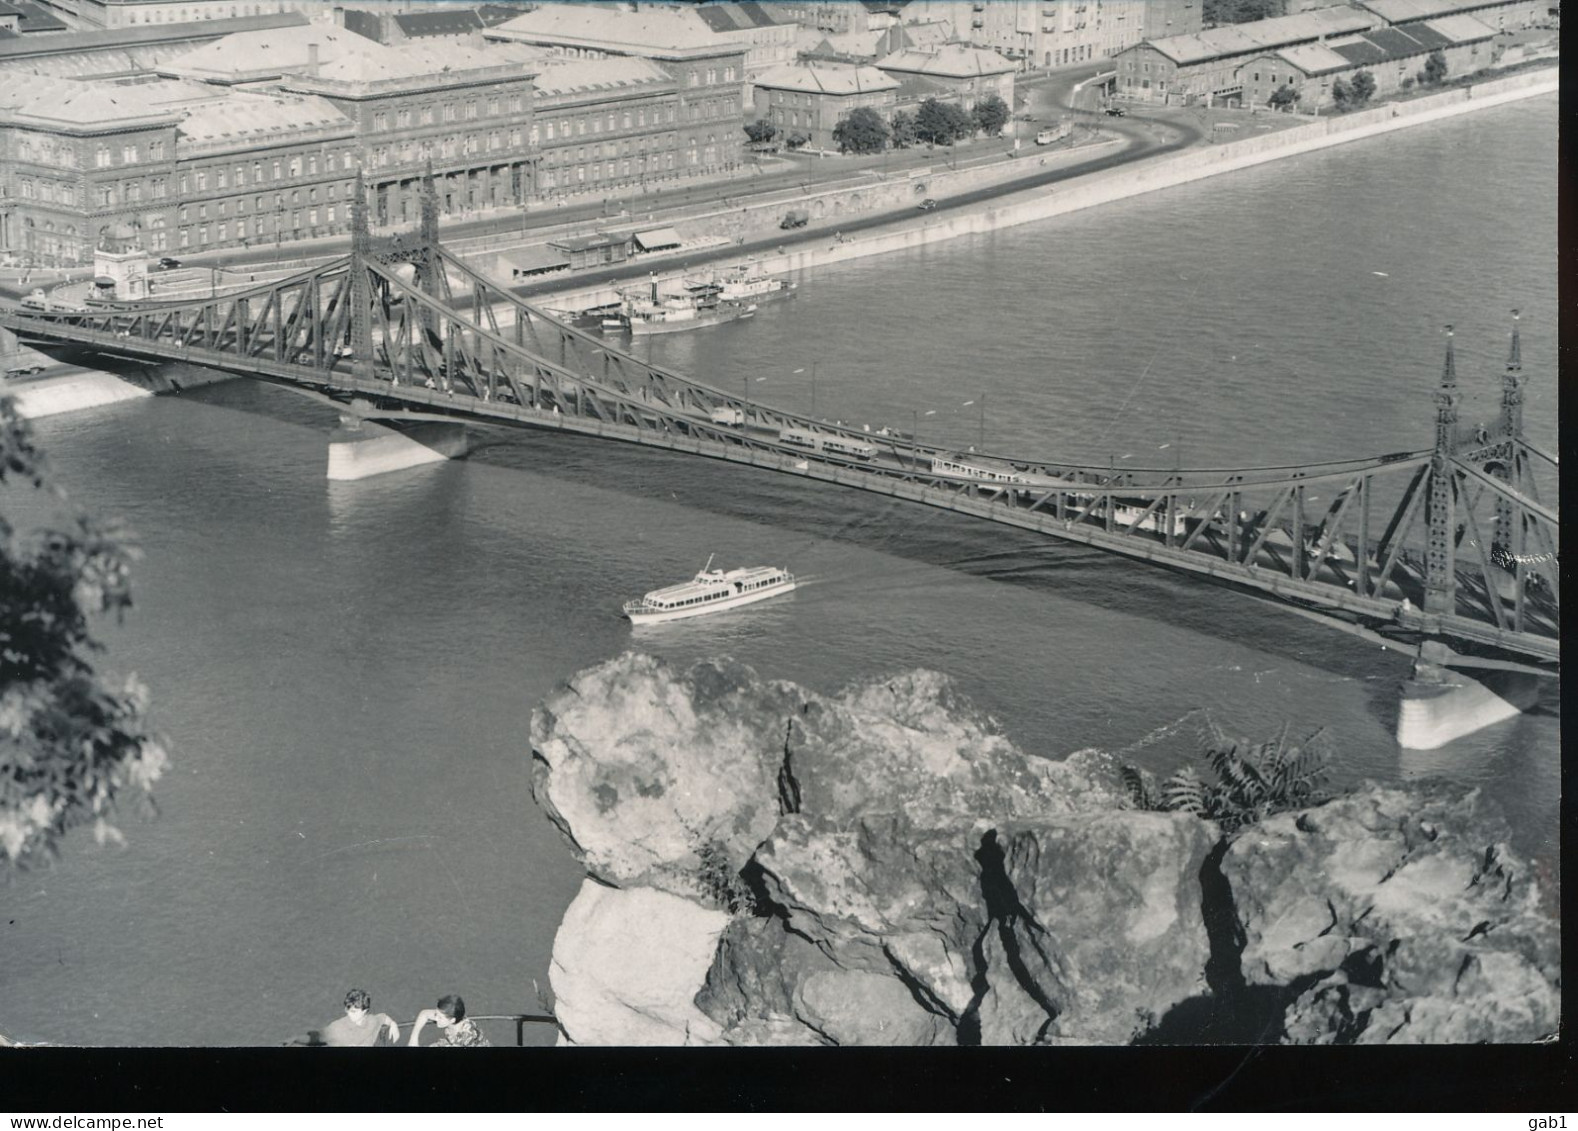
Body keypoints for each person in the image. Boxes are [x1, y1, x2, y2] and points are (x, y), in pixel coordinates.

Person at [319, 988, 400, 1047]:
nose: (349, 1014)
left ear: (364, 1011)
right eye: (348, 1009)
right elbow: (315, 1039)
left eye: (354, 1011)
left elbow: (383, 1017)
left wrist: (393, 1024)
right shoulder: (336, 1027)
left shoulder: (372, 1021)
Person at [408, 994, 490, 1047]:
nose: (436, 1018)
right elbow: (424, 1014)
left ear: (452, 1020)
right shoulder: (452, 1016)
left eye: (440, 1017)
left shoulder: (465, 1036)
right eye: (436, 1014)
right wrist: (413, 1039)